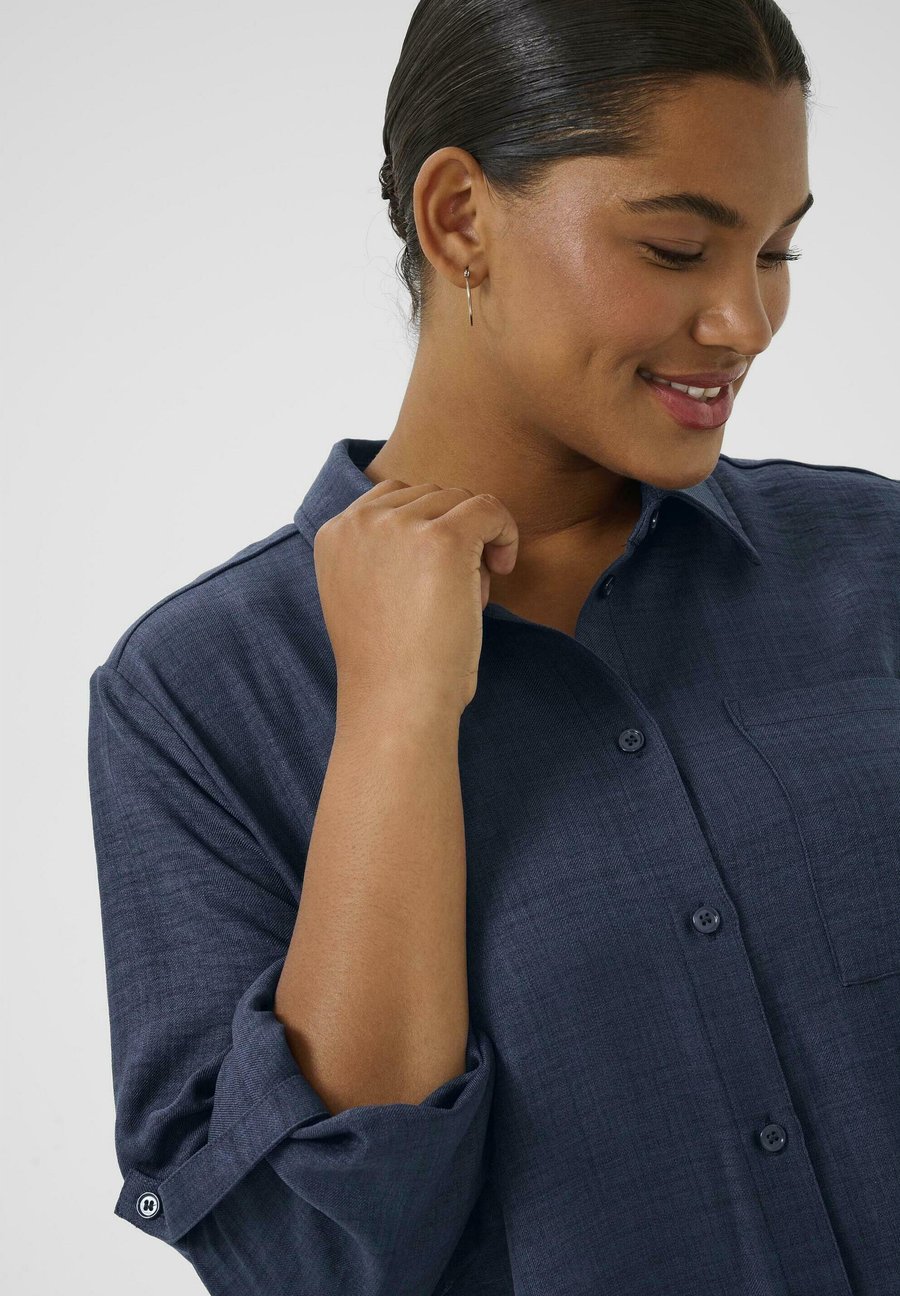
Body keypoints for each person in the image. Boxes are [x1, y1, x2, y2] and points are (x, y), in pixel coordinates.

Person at [86, 1, 900, 1292]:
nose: (745, 321)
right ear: (459, 216)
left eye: (776, 251)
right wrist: (394, 716)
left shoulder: (874, 560)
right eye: (677, 248)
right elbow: (312, 1263)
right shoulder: (198, 698)